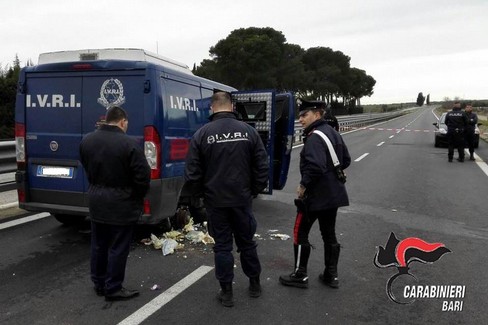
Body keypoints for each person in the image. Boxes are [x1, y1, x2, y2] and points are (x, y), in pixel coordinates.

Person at [184, 92, 269, 307]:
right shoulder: (249, 132)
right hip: (242, 200)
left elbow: (192, 172)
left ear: (212, 108)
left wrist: (201, 195)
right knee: (247, 243)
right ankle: (255, 285)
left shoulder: (202, 134)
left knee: (222, 247)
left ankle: (227, 292)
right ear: (232, 106)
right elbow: (262, 165)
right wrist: (253, 190)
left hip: (216, 201)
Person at [80, 105, 150, 301]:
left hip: (96, 199)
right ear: (122, 122)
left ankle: (99, 283)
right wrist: (136, 196)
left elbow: (86, 165)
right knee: (118, 246)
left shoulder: (87, 140)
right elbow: (142, 177)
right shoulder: (130, 145)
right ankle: (113, 287)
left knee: (98, 244)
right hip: (122, 203)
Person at [279, 99, 350, 289]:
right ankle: (331, 275)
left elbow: (315, 167)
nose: (300, 119)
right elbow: (346, 160)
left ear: (317, 114)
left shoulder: (314, 137)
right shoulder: (333, 133)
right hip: (334, 195)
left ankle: (300, 275)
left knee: (299, 232)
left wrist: (303, 186)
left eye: (304, 115)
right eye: (300, 116)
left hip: (315, 196)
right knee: (329, 234)